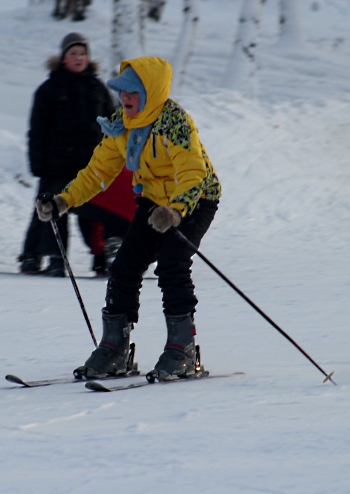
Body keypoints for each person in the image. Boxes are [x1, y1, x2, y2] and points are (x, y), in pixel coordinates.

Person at [36, 56, 222, 380]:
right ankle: (114, 348)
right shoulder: (123, 124)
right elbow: (97, 171)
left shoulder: (174, 122)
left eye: (133, 93)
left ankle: (182, 349)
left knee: (172, 263)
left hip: (194, 200)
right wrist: (64, 199)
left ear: (150, 92)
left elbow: (193, 172)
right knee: (124, 266)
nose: (126, 99)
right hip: (154, 202)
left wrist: (176, 211)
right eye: (122, 92)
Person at [18, 32, 118, 277]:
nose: (78, 57)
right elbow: (37, 129)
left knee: (97, 213)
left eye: (82, 53)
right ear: (63, 57)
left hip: (91, 165)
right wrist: (38, 163)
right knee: (50, 209)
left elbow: (115, 125)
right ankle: (48, 257)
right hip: (57, 165)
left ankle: (105, 256)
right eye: (73, 53)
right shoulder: (49, 89)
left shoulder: (98, 89)